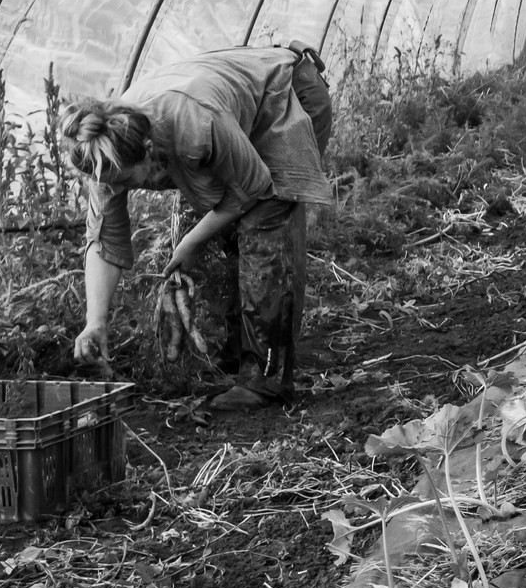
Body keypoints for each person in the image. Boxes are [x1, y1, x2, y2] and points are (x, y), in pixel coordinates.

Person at [59, 43, 334, 409]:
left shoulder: (194, 122)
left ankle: (264, 380)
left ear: (148, 149)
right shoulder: (104, 155)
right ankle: (241, 353)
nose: (120, 189)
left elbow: (253, 188)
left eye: (126, 181)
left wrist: (189, 242)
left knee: (263, 220)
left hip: (285, 97)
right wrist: (96, 322)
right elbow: (104, 240)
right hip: (232, 118)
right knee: (223, 229)